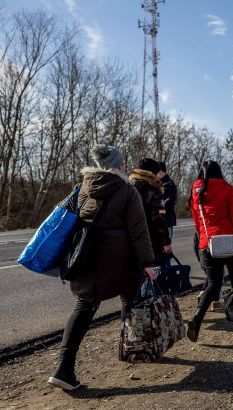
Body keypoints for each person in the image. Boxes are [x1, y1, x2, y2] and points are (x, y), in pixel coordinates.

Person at [48, 145, 157, 391]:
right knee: (130, 299)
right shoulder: (127, 191)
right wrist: (148, 263)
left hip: (86, 257)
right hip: (120, 262)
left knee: (84, 307)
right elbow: (139, 232)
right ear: (119, 166)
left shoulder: (82, 188)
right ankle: (133, 349)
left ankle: (64, 368)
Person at [188, 160, 233, 340]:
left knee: (212, 284)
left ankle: (197, 318)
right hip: (231, 242)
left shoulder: (196, 192)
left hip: (207, 244)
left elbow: (197, 221)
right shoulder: (227, 189)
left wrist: (203, 241)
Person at [130, 158, 172, 266]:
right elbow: (160, 218)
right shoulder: (153, 190)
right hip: (151, 241)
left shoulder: (128, 188)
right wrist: (166, 242)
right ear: (152, 172)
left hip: (130, 239)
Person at [158, 161, 177, 239]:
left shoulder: (169, 184)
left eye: (158, 171)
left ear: (162, 172)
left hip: (167, 218)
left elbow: (170, 201)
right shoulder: (156, 183)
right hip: (158, 220)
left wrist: (161, 212)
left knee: (166, 243)